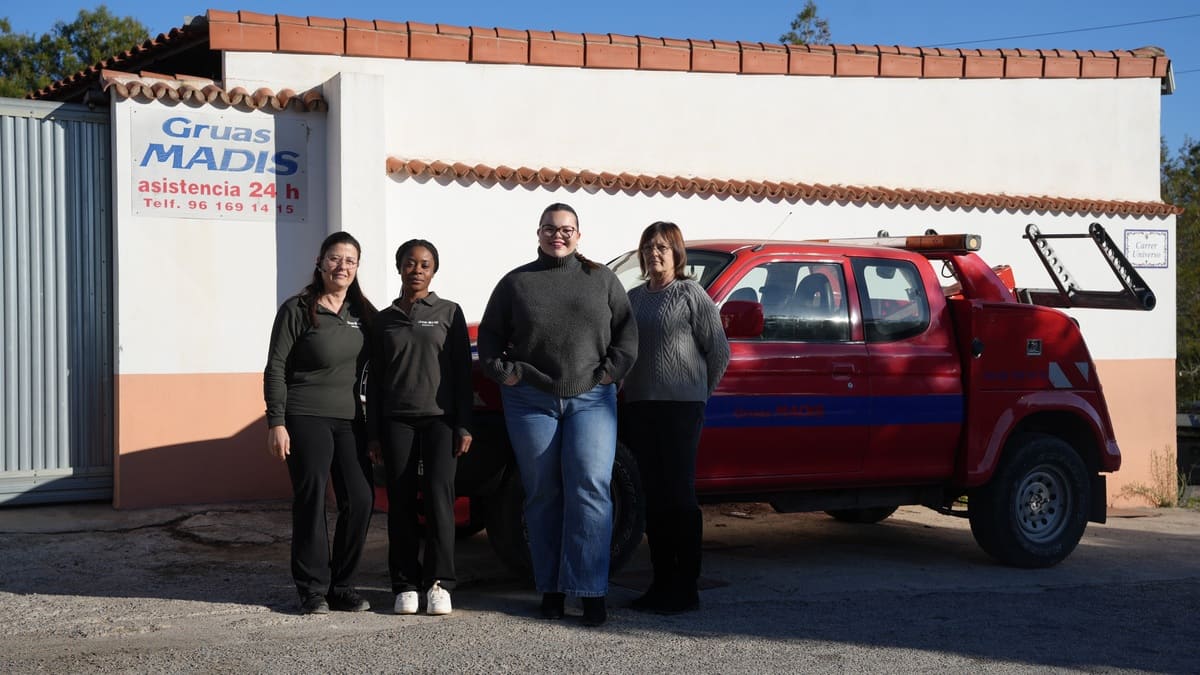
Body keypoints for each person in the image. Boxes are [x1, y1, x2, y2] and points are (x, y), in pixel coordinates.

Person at [477, 202, 638, 627]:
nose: (558, 235)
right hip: (531, 400)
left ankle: (590, 590)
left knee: (591, 488)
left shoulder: (601, 279)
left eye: (566, 229)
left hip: (591, 398)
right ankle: (550, 587)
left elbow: (626, 333)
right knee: (543, 493)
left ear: (578, 235)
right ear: (539, 233)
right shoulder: (516, 283)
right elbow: (490, 336)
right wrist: (505, 373)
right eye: (550, 228)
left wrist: (610, 373)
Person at [264, 231, 377, 615]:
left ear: (357, 267)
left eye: (350, 260)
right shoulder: (298, 309)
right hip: (305, 415)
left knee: (360, 499)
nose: (341, 266)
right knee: (311, 500)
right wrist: (276, 421)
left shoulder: (363, 313)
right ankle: (312, 589)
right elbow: (276, 367)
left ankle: (342, 586)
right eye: (334, 258)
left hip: (351, 419)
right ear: (320, 262)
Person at [623, 221, 730, 614]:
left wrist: (697, 395)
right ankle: (660, 582)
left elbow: (719, 352)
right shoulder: (633, 298)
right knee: (653, 497)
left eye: (662, 247)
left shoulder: (690, 294)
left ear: (677, 253)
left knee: (679, 497)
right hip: (641, 407)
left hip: (681, 410)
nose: (654, 253)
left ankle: (685, 587)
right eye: (648, 247)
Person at [367, 239, 473, 617]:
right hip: (396, 420)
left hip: (441, 420)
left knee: (439, 500)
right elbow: (375, 381)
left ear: (434, 270)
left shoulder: (449, 312)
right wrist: (374, 433)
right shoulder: (384, 320)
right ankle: (405, 585)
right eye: (410, 263)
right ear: (399, 267)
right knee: (400, 504)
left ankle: (439, 583)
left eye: (425, 264)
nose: (417, 270)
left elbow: (462, 372)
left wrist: (464, 424)